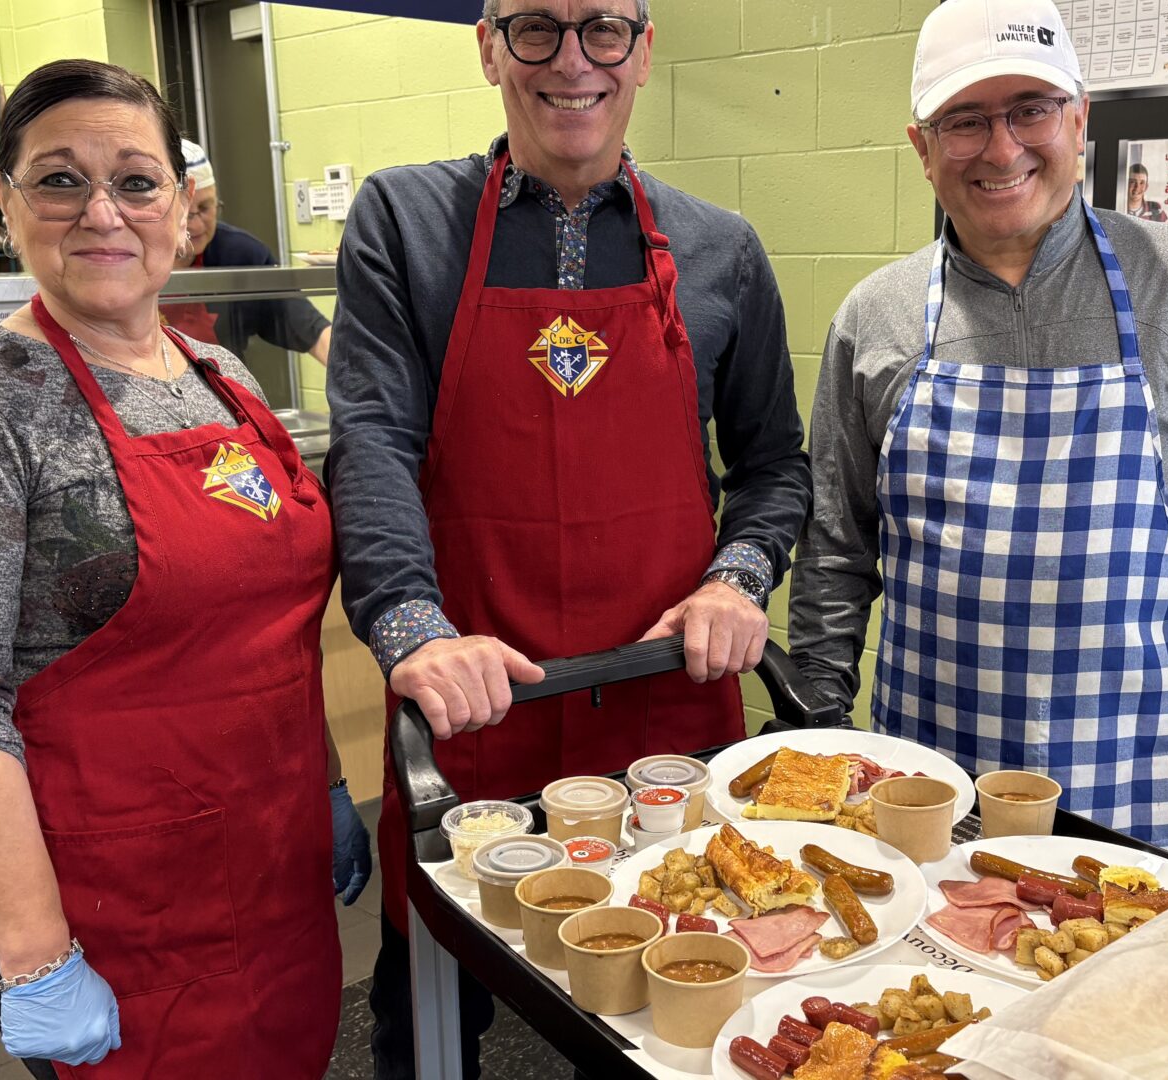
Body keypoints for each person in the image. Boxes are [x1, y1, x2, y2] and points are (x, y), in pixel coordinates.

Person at [326, 0, 809, 1074]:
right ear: (489, 44)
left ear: (644, 48)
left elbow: (776, 464)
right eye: (537, 27)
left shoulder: (722, 250)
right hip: (478, 699)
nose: (572, 62)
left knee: (676, 1001)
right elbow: (371, 444)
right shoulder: (406, 221)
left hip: (664, 704)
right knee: (431, 1019)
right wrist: (411, 628)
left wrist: (737, 581)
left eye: (603, 28)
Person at [0, 59, 368, 1079]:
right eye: (59, 179)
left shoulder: (221, 378)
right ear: (4, 201)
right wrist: (38, 953)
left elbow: (263, 631)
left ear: (183, 208)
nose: (103, 211)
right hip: (107, 902)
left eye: (136, 181)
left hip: (266, 863)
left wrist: (326, 782)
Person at [788, 0, 1168, 867]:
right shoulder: (874, 317)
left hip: (1133, 779)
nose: (1002, 150)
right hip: (930, 775)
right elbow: (836, 549)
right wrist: (816, 727)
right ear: (923, 149)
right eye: (965, 121)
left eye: (1030, 109)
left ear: (1079, 120)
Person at [158, 139, 334, 364]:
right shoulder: (129, 256)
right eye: (186, 214)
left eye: (206, 208)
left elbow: (314, 332)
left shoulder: (240, 254)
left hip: (223, 392)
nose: (199, 225)